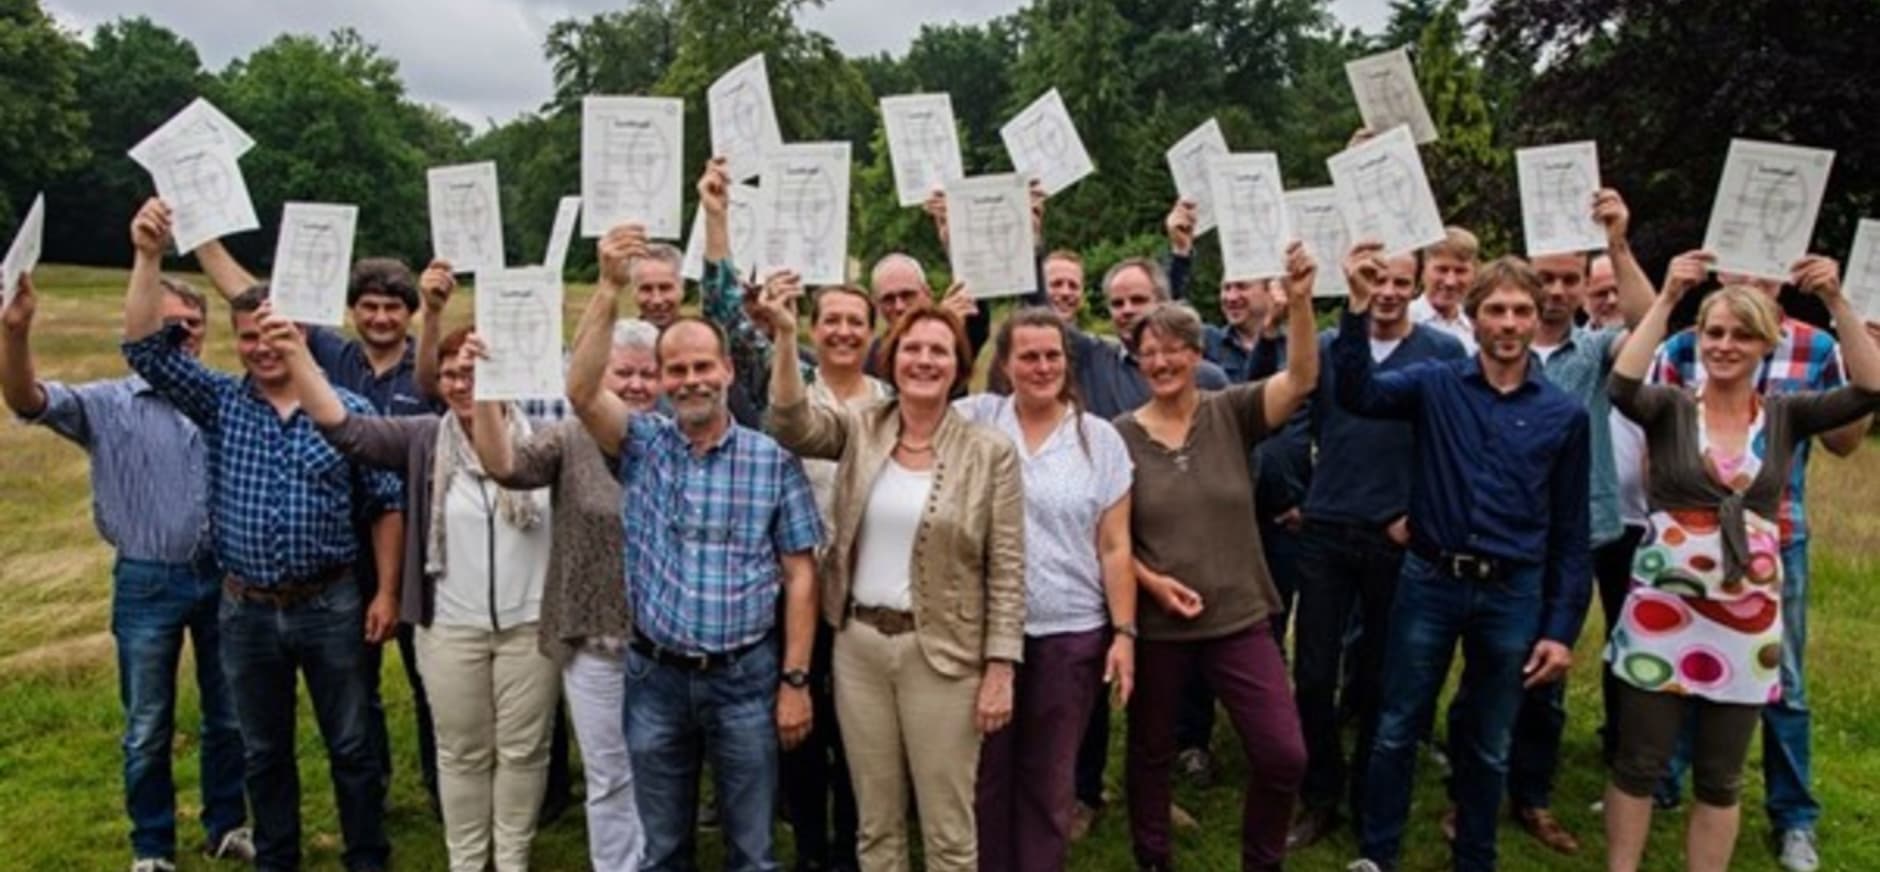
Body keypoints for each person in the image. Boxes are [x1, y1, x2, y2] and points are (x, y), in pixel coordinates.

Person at [121, 202, 403, 872]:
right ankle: (277, 857)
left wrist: (386, 592)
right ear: (237, 340)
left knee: (353, 743)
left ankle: (366, 856)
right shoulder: (221, 402)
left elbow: (385, 506)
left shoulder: (347, 411)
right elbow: (141, 349)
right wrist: (148, 256)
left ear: (301, 332)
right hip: (246, 609)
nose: (262, 347)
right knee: (263, 750)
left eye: (274, 333)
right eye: (248, 336)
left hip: (330, 601)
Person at [1602, 255, 1880, 872]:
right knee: (1639, 761)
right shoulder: (1671, 406)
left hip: (1746, 620)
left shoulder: (1786, 414)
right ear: (1699, 339)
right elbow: (1621, 385)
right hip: (1662, 613)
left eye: (1741, 334)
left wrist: (1837, 301)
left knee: (1721, 776)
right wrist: (1670, 296)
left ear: (1766, 343)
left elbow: (1870, 386)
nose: (1725, 345)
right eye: (1715, 333)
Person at [568, 224, 822, 872]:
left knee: (753, 850)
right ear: (658, 379)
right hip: (655, 678)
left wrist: (794, 679)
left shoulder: (771, 460)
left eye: (702, 366)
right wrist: (606, 287)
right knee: (664, 849)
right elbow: (580, 391)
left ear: (728, 370)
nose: (689, 380)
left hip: (745, 678)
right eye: (674, 370)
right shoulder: (641, 445)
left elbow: (799, 574)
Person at [272, 320, 561, 872]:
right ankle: (468, 861)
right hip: (450, 625)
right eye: (451, 374)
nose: (460, 383)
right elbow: (344, 428)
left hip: (530, 626)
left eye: (474, 372)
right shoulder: (423, 437)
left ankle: (514, 859)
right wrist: (295, 354)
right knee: (461, 753)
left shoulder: (544, 441)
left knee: (525, 751)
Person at [1340, 251, 1591, 872]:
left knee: (1488, 741)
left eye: (1521, 311)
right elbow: (1359, 393)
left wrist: (1560, 630)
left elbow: (1571, 532)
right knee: (1398, 724)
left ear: (1538, 319)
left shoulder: (1565, 414)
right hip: (1430, 580)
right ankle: (1378, 854)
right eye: (1496, 310)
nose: (1508, 323)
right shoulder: (1435, 383)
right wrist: (1354, 308)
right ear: (1473, 319)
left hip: (1512, 592)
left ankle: (1475, 857)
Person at [762, 286, 1025, 872]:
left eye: (939, 350)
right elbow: (790, 422)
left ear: (958, 366)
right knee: (876, 828)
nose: (924, 360)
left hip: (944, 656)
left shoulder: (990, 452)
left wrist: (1001, 667)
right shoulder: (862, 427)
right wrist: (784, 336)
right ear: (893, 358)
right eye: (912, 348)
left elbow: (1008, 567)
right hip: (858, 650)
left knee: (948, 830)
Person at [1, 266, 252, 871]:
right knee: (147, 723)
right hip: (147, 579)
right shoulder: (106, 404)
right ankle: (152, 846)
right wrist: (14, 333)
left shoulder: (225, 396)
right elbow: (27, 399)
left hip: (224, 576)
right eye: (168, 325)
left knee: (230, 716)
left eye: (192, 325)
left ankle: (226, 825)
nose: (183, 335)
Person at [193, 238, 445, 810]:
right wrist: (203, 234)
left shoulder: (423, 369)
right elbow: (250, 299)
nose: (381, 318)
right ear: (350, 311)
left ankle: (438, 787)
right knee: (360, 686)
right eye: (369, 307)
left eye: (393, 308)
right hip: (345, 554)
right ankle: (372, 789)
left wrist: (434, 313)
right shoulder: (330, 357)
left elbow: (440, 389)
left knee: (428, 677)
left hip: (423, 549)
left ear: (408, 314)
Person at [1440, 189, 1655, 854]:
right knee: (1486, 673)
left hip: (1574, 535)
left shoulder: (1592, 354)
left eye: (1570, 280)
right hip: (1496, 539)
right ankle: (1467, 797)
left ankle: (1531, 796)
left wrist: (1618, 244)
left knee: (1546, 678)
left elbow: (1656, 325)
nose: (1560, 291)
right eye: (1549, 279)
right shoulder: (1481, 353)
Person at [1118, 241, 1321, 872]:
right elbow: (1108, 541)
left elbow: (1302, 379)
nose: (1161, 361)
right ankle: (1154, 859)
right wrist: (1150, 584)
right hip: (1159, 627)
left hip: (1239, 616)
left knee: (1283, 754)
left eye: (1174, 348)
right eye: (1148, 353)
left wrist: (1303, 304)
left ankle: (1261, 861)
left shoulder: (1230, 411)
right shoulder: (1118, 435)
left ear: (1197, 354)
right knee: (1151, 753)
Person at [695, 155, 870, 872]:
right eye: (832, 320)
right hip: (786, 588)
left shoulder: (893, 398)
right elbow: (721, 312)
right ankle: (809, 846)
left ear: (870, 332)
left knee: (857, 736)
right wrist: (716, 216)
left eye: (857, 323)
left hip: (862, 593)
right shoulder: (780, 377)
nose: (844, 333)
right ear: (812, 324)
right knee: (795, 727)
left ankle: (854, 851)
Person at [1285, 247, 1468, 851]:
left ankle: (1368, 796)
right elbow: (1297, 411)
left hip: (1394, 535)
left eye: (1400, 282)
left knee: (1379, 680)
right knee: (1313, 676)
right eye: (1377, 280)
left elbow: (1451, 444)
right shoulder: (1340, 342)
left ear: (1415, 287)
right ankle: (1320, 792)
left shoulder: (1441, 353)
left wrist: (1420, 513)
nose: (1388, 292)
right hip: (1327, 526)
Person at [473, 318, 660, 872]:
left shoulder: (681, 440)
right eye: (622, 373)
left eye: (648, 374)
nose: (635, 385)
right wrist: (488, 393)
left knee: (661, 770)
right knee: (608, 774)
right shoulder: (572, 437)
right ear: (597, 377)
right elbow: (505, 466)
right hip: (594, 638)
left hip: (666, 646)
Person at [957, 307, 1137, 872]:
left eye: (1052, 355)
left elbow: (1114, 545)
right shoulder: (977, 420)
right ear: (1005, 365)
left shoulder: (1097, 438)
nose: (1041, 367)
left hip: (1071, 633)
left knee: (1048, 776)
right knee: (986, 773)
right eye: (1028, 356)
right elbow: (916, 382)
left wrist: (1125, 632)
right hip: (986, 634)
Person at [1408, 227, 1481, 354]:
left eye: (1460, 271)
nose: (1450, 282)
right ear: (1424, 271)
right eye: (1442, 270)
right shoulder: (1404, 321)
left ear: (1474, 273)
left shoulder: (1477, 327)